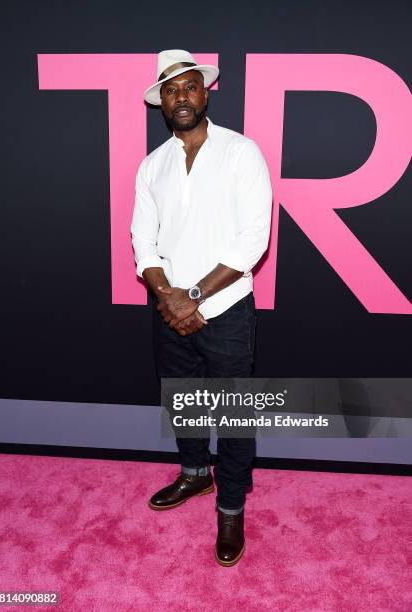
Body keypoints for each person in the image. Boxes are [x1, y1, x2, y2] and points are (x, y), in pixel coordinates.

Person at [131, 49, 272, 566]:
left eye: (189, 87)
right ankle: (194, 474)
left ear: (205, 92)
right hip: (170, 309)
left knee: (235, 414)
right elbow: (142, 242)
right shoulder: (153, 166)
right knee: (183, 398)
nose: (180, 97)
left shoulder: (241, 152)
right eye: (170, 91)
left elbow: (253, 239)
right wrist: (169, 296)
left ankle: (231, 506)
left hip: (227, 309)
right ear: (161, 103)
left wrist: (192, 296)